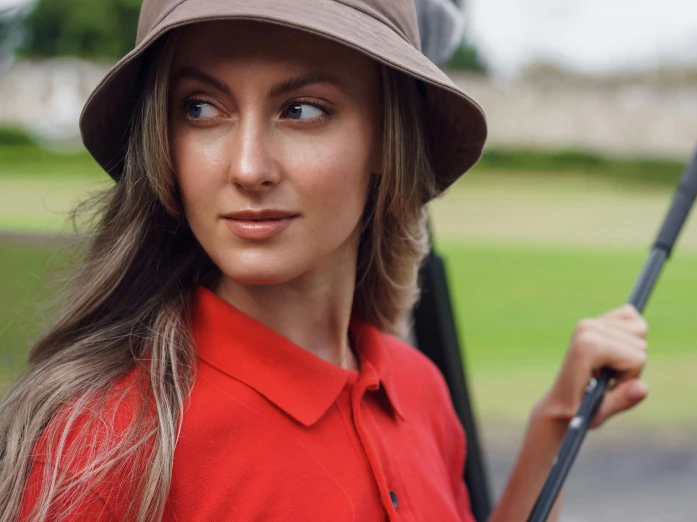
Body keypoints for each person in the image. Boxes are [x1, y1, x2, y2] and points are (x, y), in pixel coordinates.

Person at [0, 1, 649, 521]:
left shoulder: (417, 390)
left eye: (301, 110)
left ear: (385, 138)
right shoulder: (106, 445)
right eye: (201, 109)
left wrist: (553, 426)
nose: (248, 167)